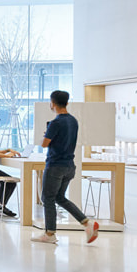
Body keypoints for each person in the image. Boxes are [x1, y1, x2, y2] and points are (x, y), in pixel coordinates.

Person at [31, 90, 99, 245]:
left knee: (47, 198)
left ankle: (50, 234)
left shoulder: (55, 123)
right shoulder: (73, 121)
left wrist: (46, 135)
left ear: (52, 103)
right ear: (67, 103)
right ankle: (87, 223)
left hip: (55, 165)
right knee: (59, 197)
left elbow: (44, 144)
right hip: (69, 166)